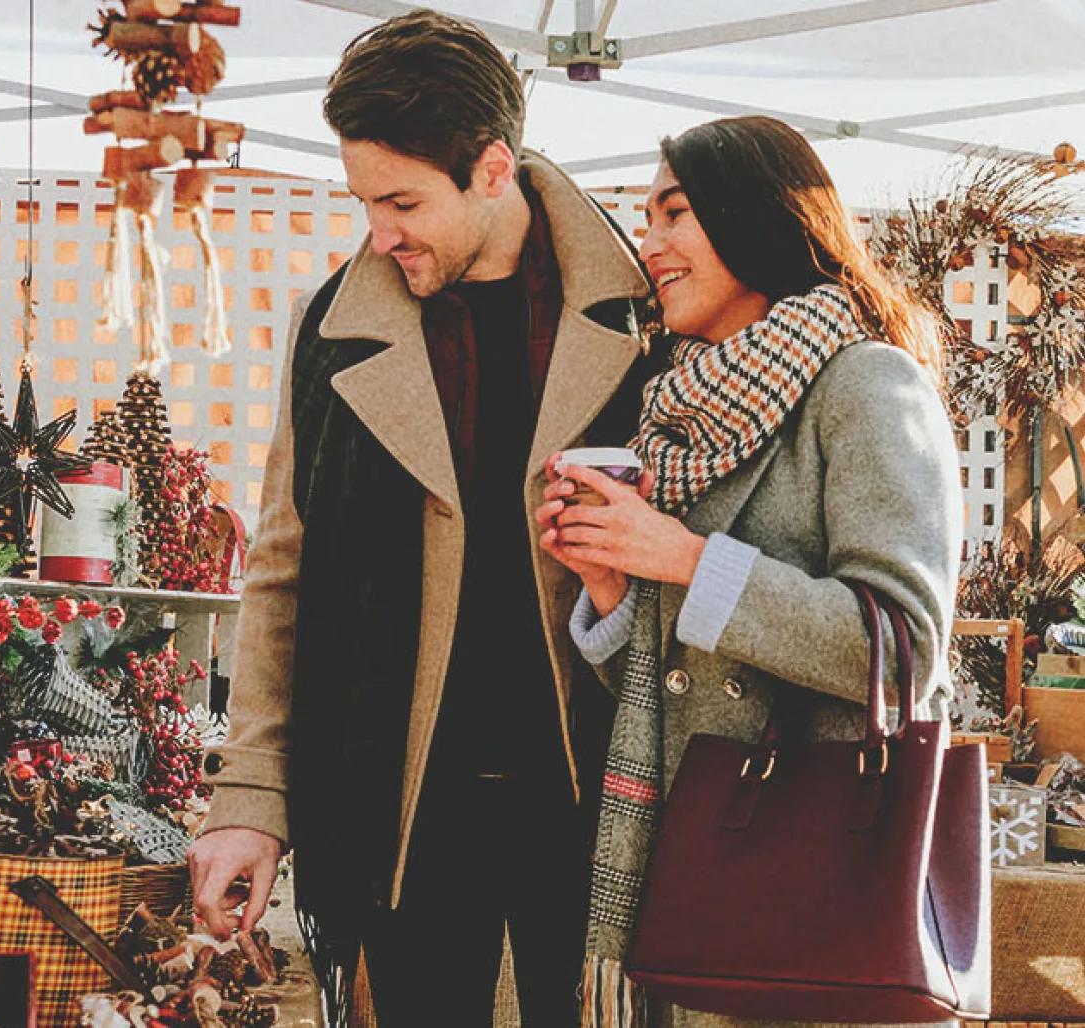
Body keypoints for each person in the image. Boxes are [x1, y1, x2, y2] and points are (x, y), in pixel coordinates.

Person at [185, 9, 665, 1025]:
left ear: (494, 170)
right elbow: (284, 570)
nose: (380, 232)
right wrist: (252, 802)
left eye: (402, 201)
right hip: (394, 806)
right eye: (364, 201)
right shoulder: (334, 328)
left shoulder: (647, 320)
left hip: (598, 801)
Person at [539, 115, 963, 1028]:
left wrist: (684, 559)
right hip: (689, 864)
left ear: (751, 217)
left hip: (806, 882)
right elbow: (682, 684)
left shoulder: (867, 383)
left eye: (674, 213)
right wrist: (615, 587)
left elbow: (903, 648)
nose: (648, 245)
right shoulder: (685, 407)